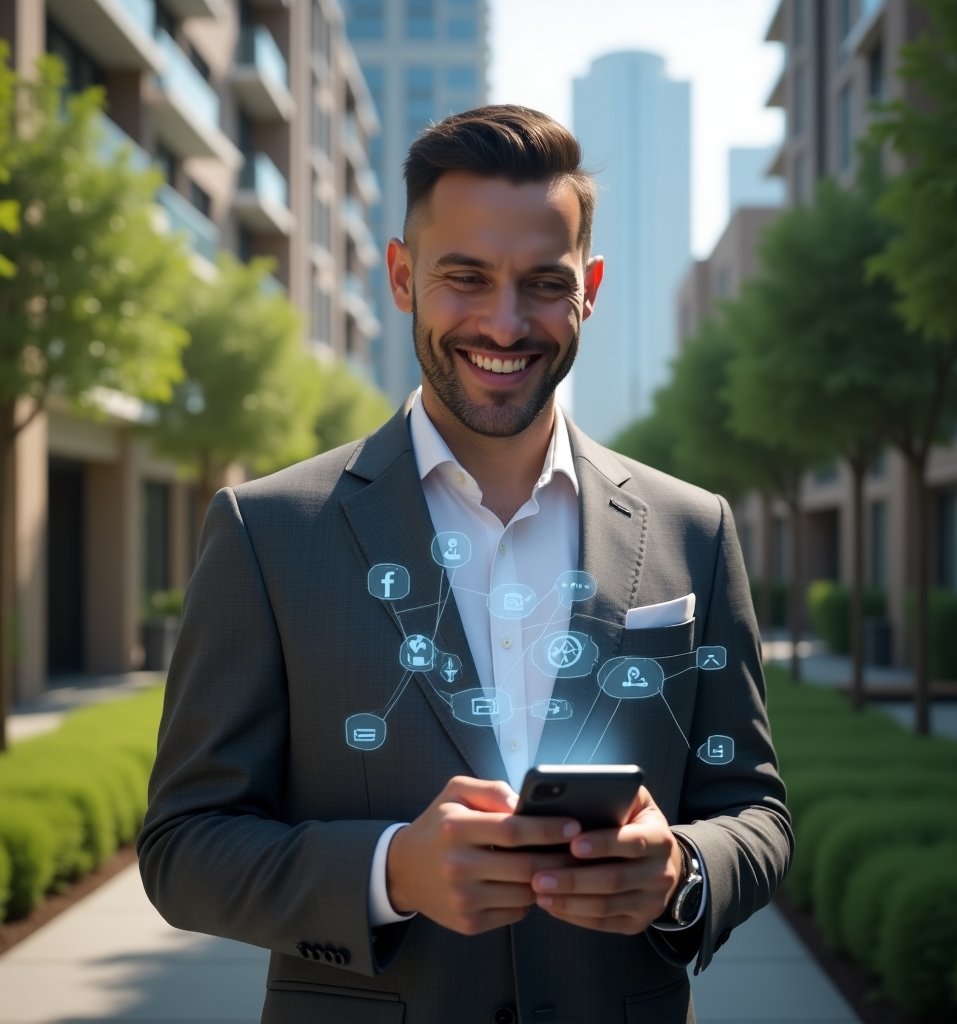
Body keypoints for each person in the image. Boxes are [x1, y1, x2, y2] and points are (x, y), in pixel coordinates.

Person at [138, 105, 792, 1023]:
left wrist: (684, 874)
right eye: (466, 277)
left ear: (590, 289)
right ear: (403, 277)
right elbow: (182, 848)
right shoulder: (266, 531)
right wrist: (389, 870)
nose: (505, 321)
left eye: (543, 283)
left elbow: (756, 814)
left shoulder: (694, 528)